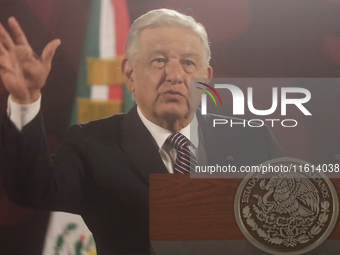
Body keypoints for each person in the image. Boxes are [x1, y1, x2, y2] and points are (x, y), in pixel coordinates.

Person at [0, 9, 281, 255]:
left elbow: (292, 227)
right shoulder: (92, 144)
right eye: (159, 61)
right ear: (130, 74)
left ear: (205, 78)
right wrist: (25, 101)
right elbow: (32, 189)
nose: (175, 75)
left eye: (188, 63)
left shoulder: (252, 139)